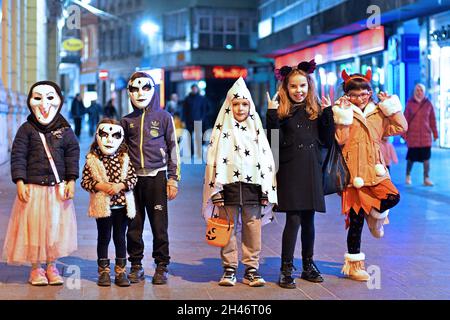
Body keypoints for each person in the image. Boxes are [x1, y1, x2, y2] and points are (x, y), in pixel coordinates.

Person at [332, 69, 407, 281]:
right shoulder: (342, 111)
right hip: (354, 173)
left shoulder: (378, 112)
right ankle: (355, 266)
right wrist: (343, 116)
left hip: (376, 169)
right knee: (355, 221)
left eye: (364, 93)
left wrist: (391, 107)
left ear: (370, 93)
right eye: (355, 94)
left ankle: (375, 216)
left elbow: (401, 127)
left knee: (393, 197)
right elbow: (339, 140)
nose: (360, 98)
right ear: (347, 94)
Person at [266, 59, 335, 289]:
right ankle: (286, 268)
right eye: (294, 86)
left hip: (311, 170)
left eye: (303, 86)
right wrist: (272, 116)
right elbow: (273, 144)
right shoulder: (282, 113)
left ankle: (308, 265)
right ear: (286, 88)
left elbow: (326, 141)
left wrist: (328, 115)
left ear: (309, 86)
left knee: (309, 220)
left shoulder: (316, 112)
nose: (299, 91)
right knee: (293, 220)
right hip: (290, 170)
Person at [202, 77, 277, 287]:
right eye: (236, 104)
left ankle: (251, 269)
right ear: (229, 106)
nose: (241, 108)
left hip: (253, 186)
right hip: (227, 187)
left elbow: (266, 160)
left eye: (245, 104)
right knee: (229, 226)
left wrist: (265, 190)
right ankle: (229, 268)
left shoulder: (256, 131)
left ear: (250, 106)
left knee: (252, 226)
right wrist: (214, 190)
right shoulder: (221, 132)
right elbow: (213, 162)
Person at [3, 81, 79, 285]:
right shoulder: (26, 129)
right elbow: (18, 155)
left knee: (54, 229)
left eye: (50, 97)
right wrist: (19, 181)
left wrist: (72, 180)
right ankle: (36, 268)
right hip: (33, 189)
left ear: (60, 101)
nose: (44, 104)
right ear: (30, 101)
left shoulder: (65, 130)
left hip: (57, 189)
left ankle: (52, 265)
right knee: (34, 229)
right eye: (38, 98)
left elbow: (72, 154)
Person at [121, 71, 181, 285]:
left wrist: (173, 179)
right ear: (129, 92)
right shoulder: (126, 121)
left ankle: (161, 265)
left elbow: (174, 148)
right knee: (134, 225)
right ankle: (135, 265)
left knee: (159, 224)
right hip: (133, 181)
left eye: (145, 87)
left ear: (154, 89)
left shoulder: (164, 117)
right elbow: (121, 151)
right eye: (135, 89)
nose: (140, 93)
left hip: (157, 178)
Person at [81, 119, 138, 287]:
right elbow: (85, 181)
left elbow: (133, 178)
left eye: (115, 136)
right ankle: (103, 272)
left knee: (120, 238)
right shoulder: (92, 159)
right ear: (97, 136)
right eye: (104, 135)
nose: (109, 140)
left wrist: (121, 185)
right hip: (103, 207)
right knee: (103, 237)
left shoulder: (125, 158)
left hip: (122, 206)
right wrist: (101, 186)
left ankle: (121, 272)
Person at [403, 83, 438, 186]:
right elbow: (405, 120)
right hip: (413, 138)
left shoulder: (428, 104)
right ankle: (408, 175)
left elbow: (432, 120)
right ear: (414, 91)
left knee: (426, 159)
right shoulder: (410, 103)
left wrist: (435, 134)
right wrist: (404, 134)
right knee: (410, 159)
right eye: (417, 90)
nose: (419, 92)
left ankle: (426, 178)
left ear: (424, 92)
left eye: (421, 90)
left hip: (425, 137)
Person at [183, 84, 209, 160]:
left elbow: (205, 109)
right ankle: (191, 153)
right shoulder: (187, 99)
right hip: (189, 121)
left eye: (195, 88)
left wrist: (202, 118)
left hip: (198, 120)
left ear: (197, 89)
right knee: (189, 138)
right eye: (193, 88)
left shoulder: (202, 98)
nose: (194, 90)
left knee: (198, 138)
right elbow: (184, 110)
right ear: (191, 89)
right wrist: (184, 120)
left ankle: (198, 152)